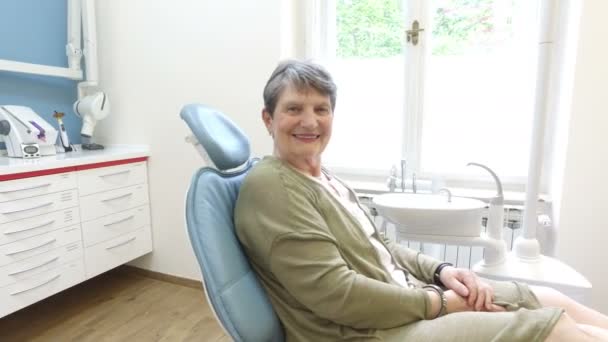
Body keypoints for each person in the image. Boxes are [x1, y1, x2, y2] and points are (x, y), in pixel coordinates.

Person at [234, 60, 608, 341]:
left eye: (321, 109)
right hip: (368, 331)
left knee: (546, 298)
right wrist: (441, 302)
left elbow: (380, 246)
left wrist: (442, 272)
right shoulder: (273, 187)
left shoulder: (323, 178)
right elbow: (337, 295)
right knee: (555, 327)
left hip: (407, 299)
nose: (310, 121)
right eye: (294, 109)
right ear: (268, 119)